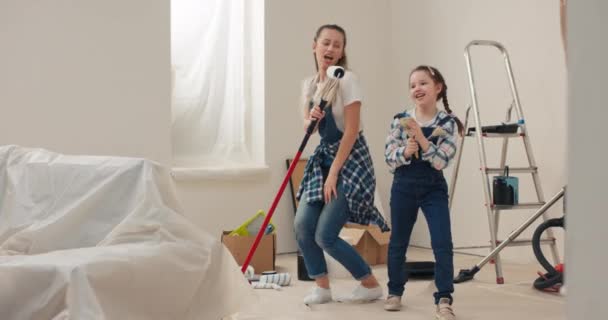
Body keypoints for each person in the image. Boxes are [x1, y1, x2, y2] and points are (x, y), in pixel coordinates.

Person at [293, 24, 389, 305]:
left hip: (351, 160)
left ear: (342, 51)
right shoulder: (308, 85)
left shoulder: (347, 80)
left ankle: (370, 284)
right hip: (322, 157)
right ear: (314, 46)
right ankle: (322, 288)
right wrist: (311, 119)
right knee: (302, 225)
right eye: (326, 43)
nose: (331, 49)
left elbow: (351, 130)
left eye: (337, 45)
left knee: (325, 234)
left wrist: (334, 173)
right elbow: (308, 130)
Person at [383, 65, 464, 320]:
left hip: (433, 188)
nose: (417, 88)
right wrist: (405, 152)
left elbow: (441, 162)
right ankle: (394, 291)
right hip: (403, 186)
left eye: (423, 83)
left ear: (437, 88)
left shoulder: (448, 123)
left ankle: (444, 298)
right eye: (412, 85)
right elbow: (389, 158)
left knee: (442, 243)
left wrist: (422, 139)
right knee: (398, 243)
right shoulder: (400, 120)